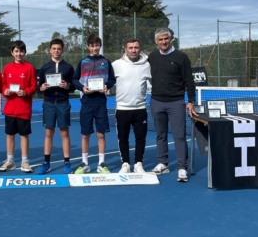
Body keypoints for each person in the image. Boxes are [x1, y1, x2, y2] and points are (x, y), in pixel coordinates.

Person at [148, 27, 197, 182]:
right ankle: (163, 163)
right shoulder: (152, 57)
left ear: (170, 39)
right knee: (160, 135)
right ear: (156, 41)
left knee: (179, 136)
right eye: (160, 39)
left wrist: (191, 101)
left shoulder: (181, 57)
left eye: (166, 39)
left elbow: (189, 80)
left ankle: (182, 167)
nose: (164, 42)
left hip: (176, 102)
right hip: (156, 102)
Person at [72, 34, 116, 174]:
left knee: (101, 134)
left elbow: (112, 79)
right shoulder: (82, 62)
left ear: (100, 46)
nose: (95, 48)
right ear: (88, 47)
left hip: (101, 103)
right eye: (92, 46)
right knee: (85, 135)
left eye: (97, 45)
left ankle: (101, 164)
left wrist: (107, 86)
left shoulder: (106, 61)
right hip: (86, 102)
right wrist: (82, 88)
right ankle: (85, 163)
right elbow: (74, 79)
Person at [112, 39, 152, 173]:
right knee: (123, 138)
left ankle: (138, 164)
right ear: (125, 50)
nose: (133, 50)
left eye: (136, 47)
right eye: (130, 48)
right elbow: (107, 80)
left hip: (140, 109)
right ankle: (125, 164)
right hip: (122, 109)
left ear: (140, 49)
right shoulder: (116, 65)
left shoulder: (147, 65)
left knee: (140, 138)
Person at [0, 40, 37, 173]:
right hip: (10, 109)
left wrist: (25, 92)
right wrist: (5, 91)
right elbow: (3, 85)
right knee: (10, 135)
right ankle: (10, 161)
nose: (19, 54)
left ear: (24, 52)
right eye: (16, 51)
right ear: (12, 53)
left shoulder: (30, 68)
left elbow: (34, 86)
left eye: (21, 51)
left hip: (24, 109)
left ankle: (25, 161)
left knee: (24, 135)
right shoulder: (7, 68)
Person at [37, 38, 75, 175]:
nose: (56, 51)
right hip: (48, 103)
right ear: (50, 50)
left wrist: (67, 86)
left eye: (59, 49)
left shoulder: (68, 67)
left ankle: (67, 163)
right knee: (48, 133)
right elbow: (39, 87)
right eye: (54, 49)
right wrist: (41, 88)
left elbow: (73, 86)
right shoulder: (45, 67)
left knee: (64, 133)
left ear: (62, 50)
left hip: (63, 103)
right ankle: (46, 163)